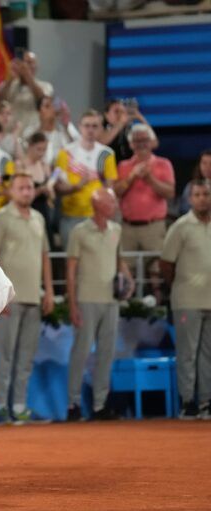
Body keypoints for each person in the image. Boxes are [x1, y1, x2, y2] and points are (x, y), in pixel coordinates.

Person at [0, 173, 54, 425]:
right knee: (4, 355)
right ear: (11, 191)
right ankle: (2, 407)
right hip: (9, 299)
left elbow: (45, 256)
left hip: (33, 298)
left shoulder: (38, 218)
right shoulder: (2, 218)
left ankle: (20, 405)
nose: (27, 192)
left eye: (30, 187)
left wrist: (48, 291)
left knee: (26, 356)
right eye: (22, 188)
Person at [66, 188, 133, 421]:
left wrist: (129, 279)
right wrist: (72, 304)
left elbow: (119, 261)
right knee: (81, 352)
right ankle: (73, 404)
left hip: (111, 300)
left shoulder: (116, 230)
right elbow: (71, 271)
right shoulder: (79, 231)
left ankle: (99, 405)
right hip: (86, 299)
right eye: (111, 201)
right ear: (98, 205)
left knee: (106, 353)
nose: (115, 204)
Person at [160, 178, 211, 420]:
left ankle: (206, 401)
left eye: (206, 194)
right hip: (187, 299)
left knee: (208, 354)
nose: (203, 199)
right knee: (187, 352)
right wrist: (178, 287)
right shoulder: (180, 227)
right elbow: (166, 264)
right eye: (198, 195)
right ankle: (187, 400)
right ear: (190, 199)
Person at [114, 123, 174, 300]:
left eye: (144, 140)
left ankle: (157, 308)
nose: (141, 144)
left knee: (157, 272)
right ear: (131, 144)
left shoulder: (164, 164)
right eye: (137, 140)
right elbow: (116, 192)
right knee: (126, 270)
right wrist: (131, 177)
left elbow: (169, 192)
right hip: (128, 227)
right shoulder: (123, 166)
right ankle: (128, 308)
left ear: (151, 142)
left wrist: (149, 178)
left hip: (153, 227)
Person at [54, 110, 118, 249]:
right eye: (87, 125)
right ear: (80, 127)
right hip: (71, 216)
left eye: (95, 126)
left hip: (98, 217)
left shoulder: (106, 154)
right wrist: (77, 186)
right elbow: (58, 187)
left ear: (101, 128)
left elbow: (110, 189)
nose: (90, 130)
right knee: (71, 262)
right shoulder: (65, 153)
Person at [0, 50, 53, 131]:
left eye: (30, 63)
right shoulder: (9, 85)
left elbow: (43, 100)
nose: (25, 66)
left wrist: (28, 76)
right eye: (23, 62)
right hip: (11, 134)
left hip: (33, 134)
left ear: (36, 66)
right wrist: (10, 78)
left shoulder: (45, 86)